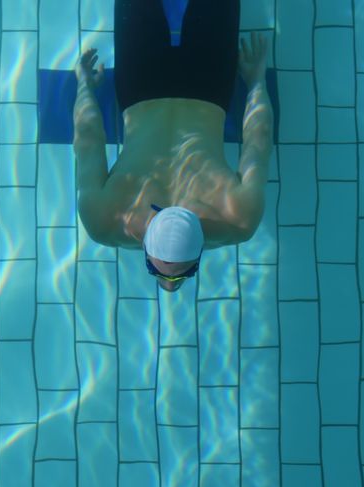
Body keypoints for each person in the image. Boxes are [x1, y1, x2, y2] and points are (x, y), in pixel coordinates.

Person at [72, 0, 274, 292]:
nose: (168, 284)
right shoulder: (102, 219)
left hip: (208, 83)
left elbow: (259, 139)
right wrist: (85, 87)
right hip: (141, 85)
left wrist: (255, 81)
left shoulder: (239, 218)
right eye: (179, 275)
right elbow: (88, 138)